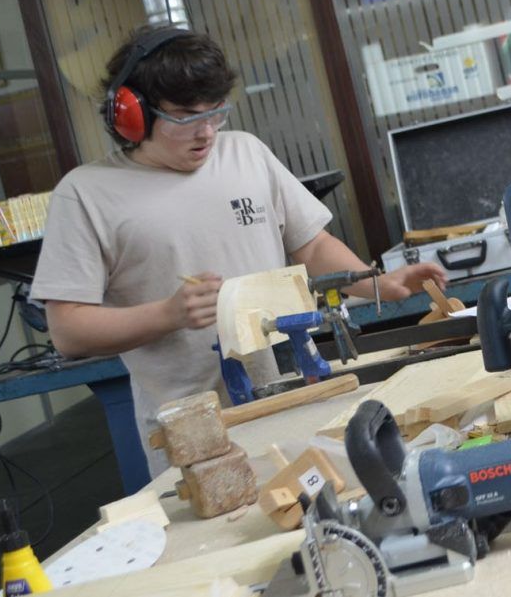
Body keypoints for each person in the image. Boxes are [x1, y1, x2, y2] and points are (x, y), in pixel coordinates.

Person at [31, 26, 445, 473]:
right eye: (187, 117)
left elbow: (312, 244)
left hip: (289, 395)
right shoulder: (86, 194)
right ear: (132, 114)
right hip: (191, 431)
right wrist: (168, 315)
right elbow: (68, 330)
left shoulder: (246, 154)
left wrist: (378, 282)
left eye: (216, 113)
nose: (206, 132)